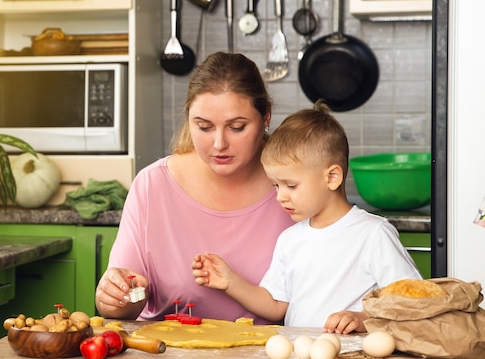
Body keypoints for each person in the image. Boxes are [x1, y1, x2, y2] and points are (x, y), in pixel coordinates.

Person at [95, 52, 294, 323]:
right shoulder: (152, 186)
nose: (219, 143)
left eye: (237, 127)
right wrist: (113, 297)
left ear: (266, 116)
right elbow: (127, 304)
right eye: (204, 127)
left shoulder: (296, 188)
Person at [191, 101, 422, 334]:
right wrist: (230, 282)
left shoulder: (373, 234)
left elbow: (411, 301)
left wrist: (364, 318)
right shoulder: (289, 240)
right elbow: (275, 305)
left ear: (331, 177)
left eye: (291, 185)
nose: (280, 196)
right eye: (276, 185)